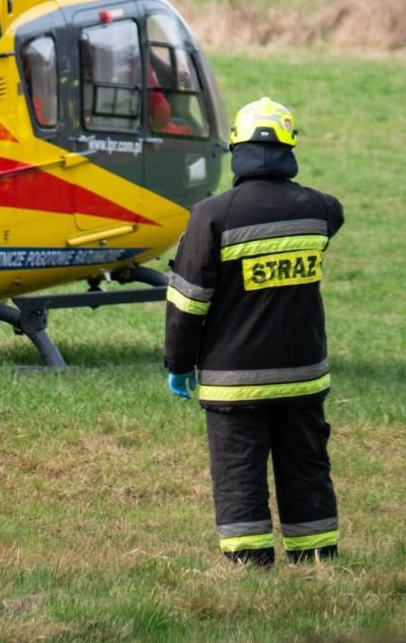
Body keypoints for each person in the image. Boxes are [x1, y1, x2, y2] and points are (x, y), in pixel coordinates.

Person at [164, 96, 344, 567]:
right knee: (305, 465)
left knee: (238, 470)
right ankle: (316, 555)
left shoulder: (212, 215)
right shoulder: (321, 210)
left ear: (236, 149)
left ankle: (249, 563)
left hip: (234, 380)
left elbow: (187, 303)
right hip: (302, 374)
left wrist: (179, 364)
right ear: (289, 148)